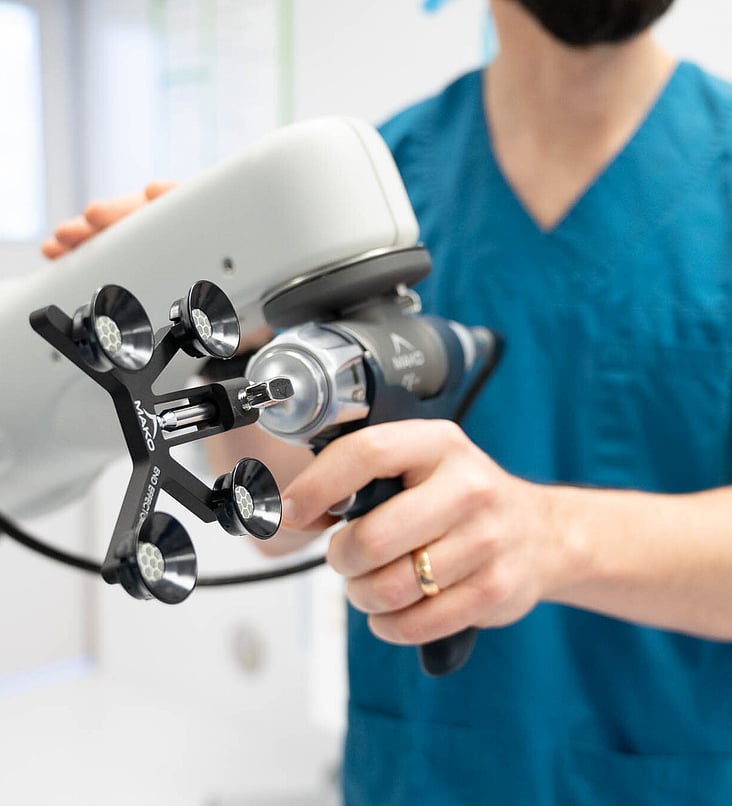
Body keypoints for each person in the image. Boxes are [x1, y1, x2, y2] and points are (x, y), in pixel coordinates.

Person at [45, 1, 732, 802]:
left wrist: (549, 537)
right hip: (422, 773)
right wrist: (227, 333)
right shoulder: (356, 191)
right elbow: (280, 523)